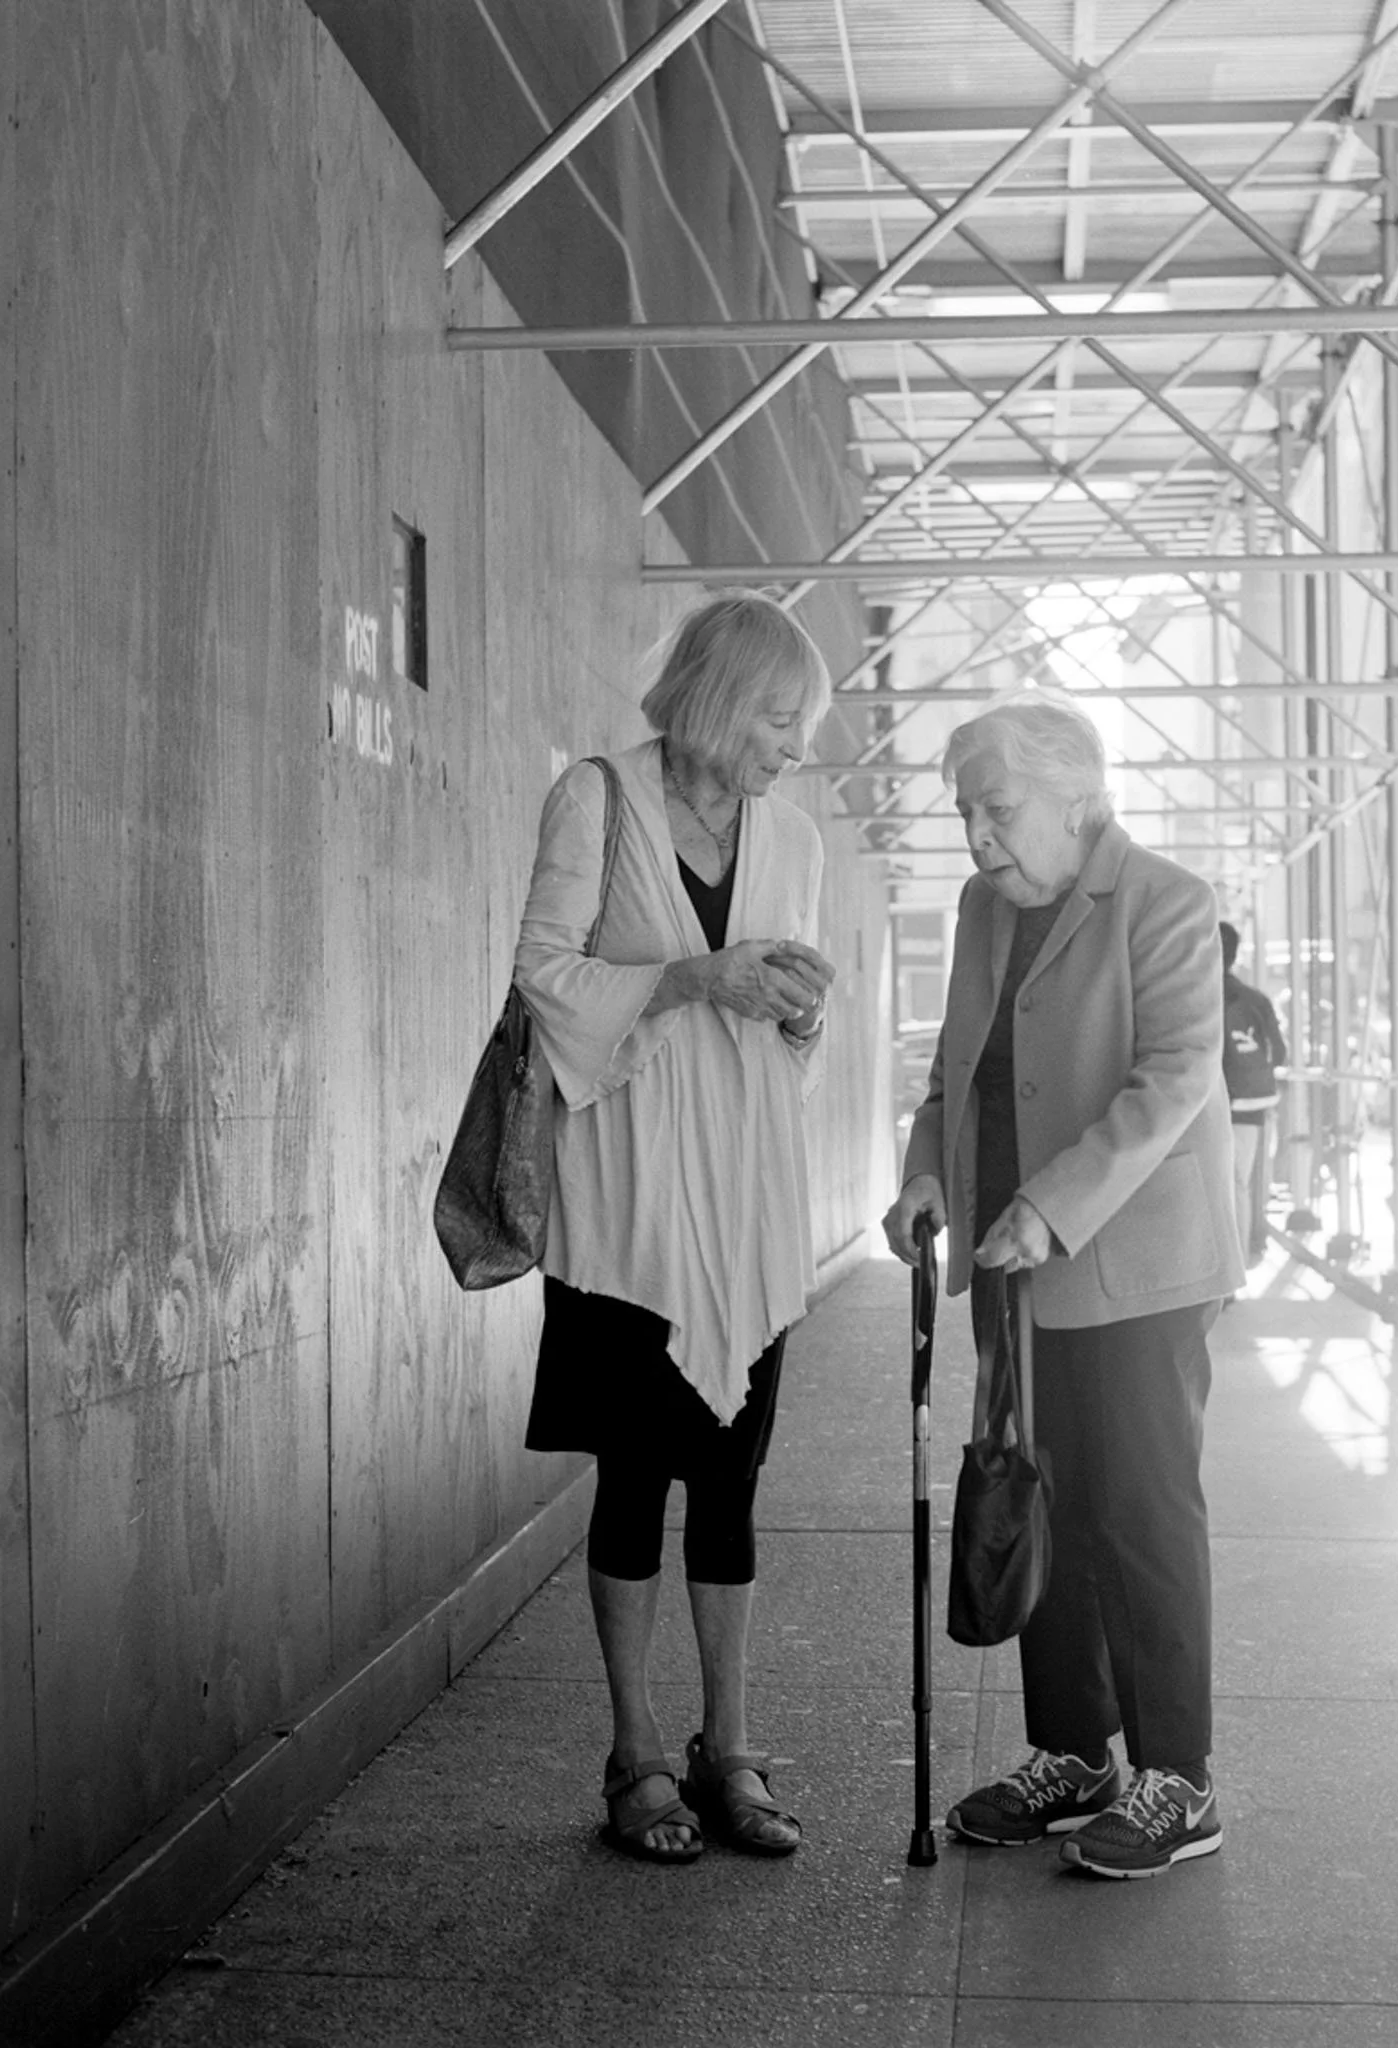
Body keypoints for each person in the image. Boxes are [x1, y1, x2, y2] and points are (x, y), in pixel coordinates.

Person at [882, 693, 1244, 1881]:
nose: (978, 835)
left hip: (1132, 1261)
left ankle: (1177, 1779)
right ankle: (1071, 1753)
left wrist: (1051, 1202)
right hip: (1011, 1258)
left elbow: (1175, 1076)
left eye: (996, 807)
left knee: (1136, 1511)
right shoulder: (984, 910)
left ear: (1076, 794)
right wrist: (929, 1173)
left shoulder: (1166, 902)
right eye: (964, 813)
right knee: (1037, 1493)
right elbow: (957, 1065)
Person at [512, 591, 835, 1865]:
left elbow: (796, 1040)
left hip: (746, 1199)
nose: (790, 745)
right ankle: (637, 1751)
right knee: (634, 1478)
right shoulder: (595, 799)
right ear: (710, 695)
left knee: (732, 1480)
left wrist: (801, 1014)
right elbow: (543, 973)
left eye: (799, 725)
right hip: (628, 1199)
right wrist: (693, 977)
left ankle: (730, 1747)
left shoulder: (794, 836)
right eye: (776, 715)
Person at [1219, 921, 1287, 1261]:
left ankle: (1218, 1272)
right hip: (1251, 1103)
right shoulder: (1257, 999)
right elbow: (1281, 1052)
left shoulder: (1197, 996)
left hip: (1209, 1104)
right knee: (1238, 1184)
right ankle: (1239, 1262)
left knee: (1213, 1188)